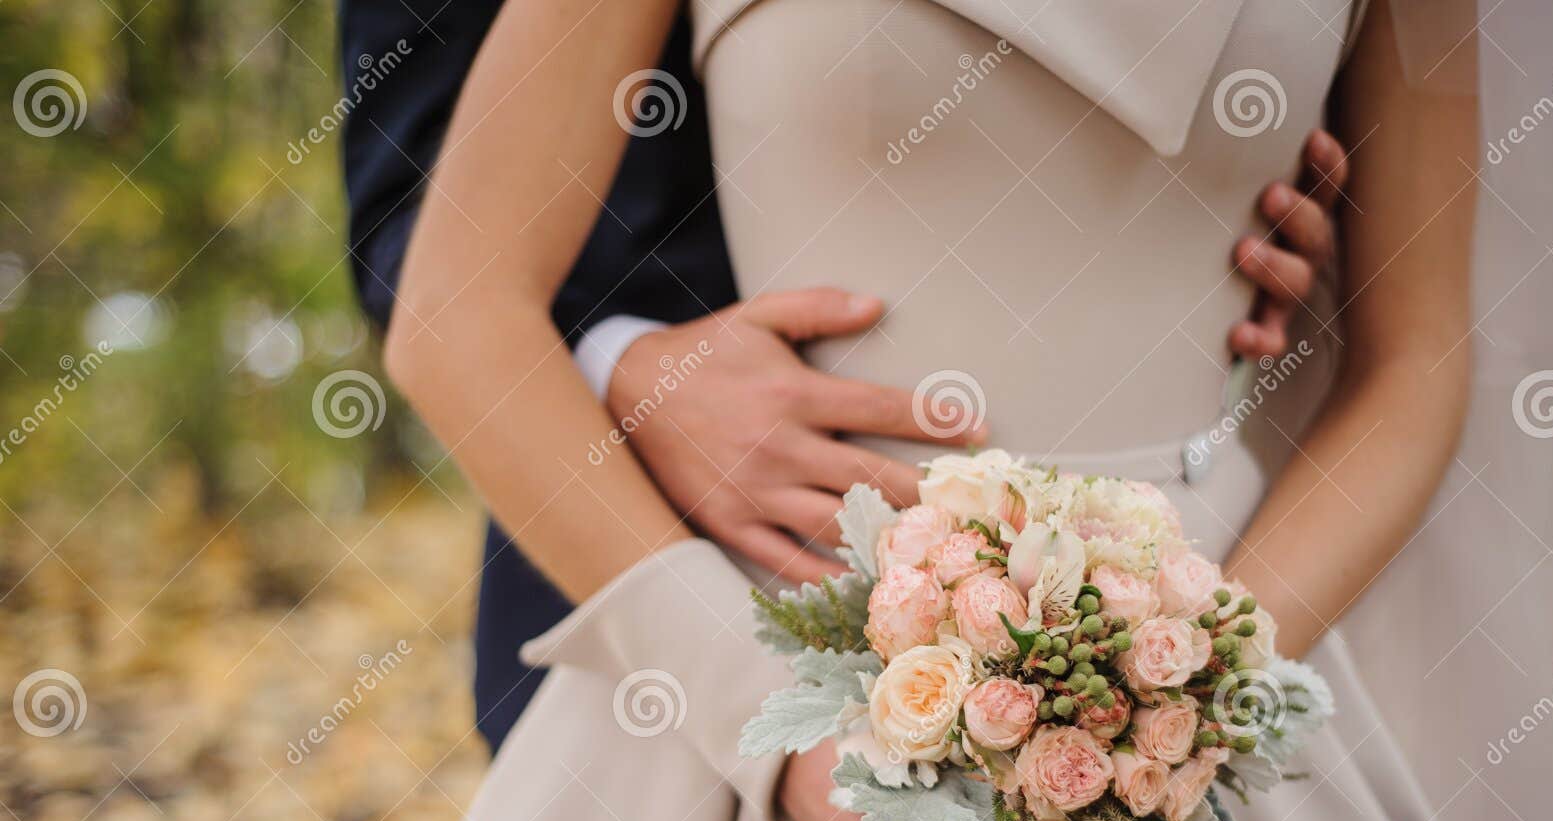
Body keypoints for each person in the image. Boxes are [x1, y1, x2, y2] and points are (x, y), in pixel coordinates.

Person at [344, 0, 1520, 821]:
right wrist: (779, 737)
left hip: (1211, 652)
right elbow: (457, 309)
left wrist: (1189, 704)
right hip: (763, 644)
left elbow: (1417, 361)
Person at [339, 0, 1348, 750]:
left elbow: (1415, 272)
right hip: (713, 590)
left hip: (1212, 589)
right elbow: (433, 242)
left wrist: (1284, 248)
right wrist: (633, 374)